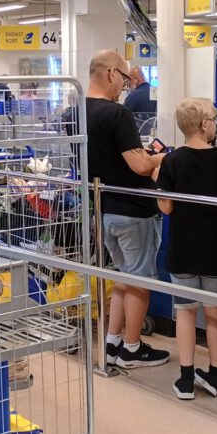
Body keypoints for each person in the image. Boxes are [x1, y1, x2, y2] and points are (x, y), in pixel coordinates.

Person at [157, 98, 217, 400]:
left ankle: (185, 379)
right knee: (214, 310)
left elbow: (166, 208)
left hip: (183, 248)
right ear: (204, 124)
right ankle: (215, 375)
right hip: (216, 248)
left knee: (184, 311)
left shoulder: (171, 160)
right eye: (214, 120)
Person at [84, 50, 169, 368]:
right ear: (110, 73)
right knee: (140, 281)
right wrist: (160, 157)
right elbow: (140, 166)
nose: (125, 85)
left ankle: (113, 342)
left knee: (122, 276)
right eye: (124, 77)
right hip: (133, 211)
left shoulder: (74, 111)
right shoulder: (116, 114)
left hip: (104, 208)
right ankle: (132, 349)